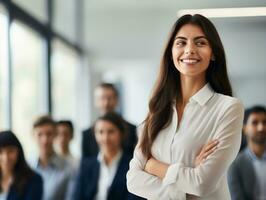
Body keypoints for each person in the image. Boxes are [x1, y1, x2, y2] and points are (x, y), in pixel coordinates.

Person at [126, 14, 244, 200]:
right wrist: (187, 185)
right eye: (181, 43)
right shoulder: (157, 108)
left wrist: (153, 166)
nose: (190, 50)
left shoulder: (228, 108)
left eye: (200, 43)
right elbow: (133, 180)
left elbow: (202, 184)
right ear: (171, 52)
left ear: (213, 53)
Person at [74, 112, 143, 200]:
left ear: (121, 134)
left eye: (111, 132)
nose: (105, 138)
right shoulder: (86, 166)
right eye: (100, 132)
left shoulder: (133, 164)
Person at [82, 83, 137, 158]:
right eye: (102, 98)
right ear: (96, 101)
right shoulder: (87, 134)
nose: (106, 103)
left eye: (109, 98)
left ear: (117, 100)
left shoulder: (133, 130)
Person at [29, 115, 72, 200]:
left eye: (49, 134)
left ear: (56, 135)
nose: (45, 140)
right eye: (40, 135)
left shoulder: (69, 168)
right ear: (33, 136)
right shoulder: (27, 167)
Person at [228, 105, 266, 200]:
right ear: (244, 128)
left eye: (265, 122)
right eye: (254, 123)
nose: (261, 128)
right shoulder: (235, 164)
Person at [0, 130, 43, 200]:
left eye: (10, 151)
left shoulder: (34, 180)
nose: (6, 157)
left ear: (19, 152)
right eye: (0, 152)